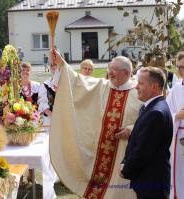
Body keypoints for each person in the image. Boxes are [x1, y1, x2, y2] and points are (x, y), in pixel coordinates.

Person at [49, 49, 142, 198]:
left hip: (124, 152)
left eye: (114, 70)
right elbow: (77, 81)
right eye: (109, 69)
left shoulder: (139, 92)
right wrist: (61, 63)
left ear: (126, 73)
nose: (109, 73)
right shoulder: (102, 86)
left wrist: (131, 129)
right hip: (100, 153)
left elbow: (149, 120)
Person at [121, 67, 173, 199]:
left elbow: (143, 150)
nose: (136, 87)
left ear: (154, 87)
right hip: (148, 180)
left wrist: (126, 169)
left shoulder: (156, 112)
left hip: (152, 182)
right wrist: (125, 160)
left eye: (141, 83)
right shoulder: (150, 107)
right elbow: (136, 139)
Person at [166, 51, 184, 199]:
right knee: (179, 176)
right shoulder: (176, 88)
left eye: (183, 67)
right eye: (177, 66)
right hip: (180, 138)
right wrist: (177, 115)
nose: (179, 71)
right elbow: (167, 113)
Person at [38, 62, 58, 131]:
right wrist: (54, 117)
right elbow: (42, 102)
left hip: (66, 118)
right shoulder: (45, 85)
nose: (54, 68)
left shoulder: (68, 85)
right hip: (50, 119)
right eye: (52, 66)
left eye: (56, 64)